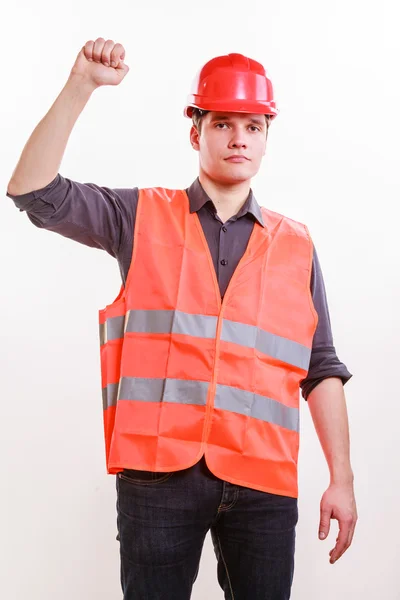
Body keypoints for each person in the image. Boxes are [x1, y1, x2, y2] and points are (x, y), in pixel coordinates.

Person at [6, 38, 357, 600]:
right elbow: (33, 192)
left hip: (262, 479)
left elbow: (321, 367)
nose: (239, 137)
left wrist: (342, 479)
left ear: (267, 139)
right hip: (157, 477)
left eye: (253, 125)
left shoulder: (297, 245)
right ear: (197, 132)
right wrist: (81, 87)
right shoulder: (138, 215)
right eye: (223, 123)